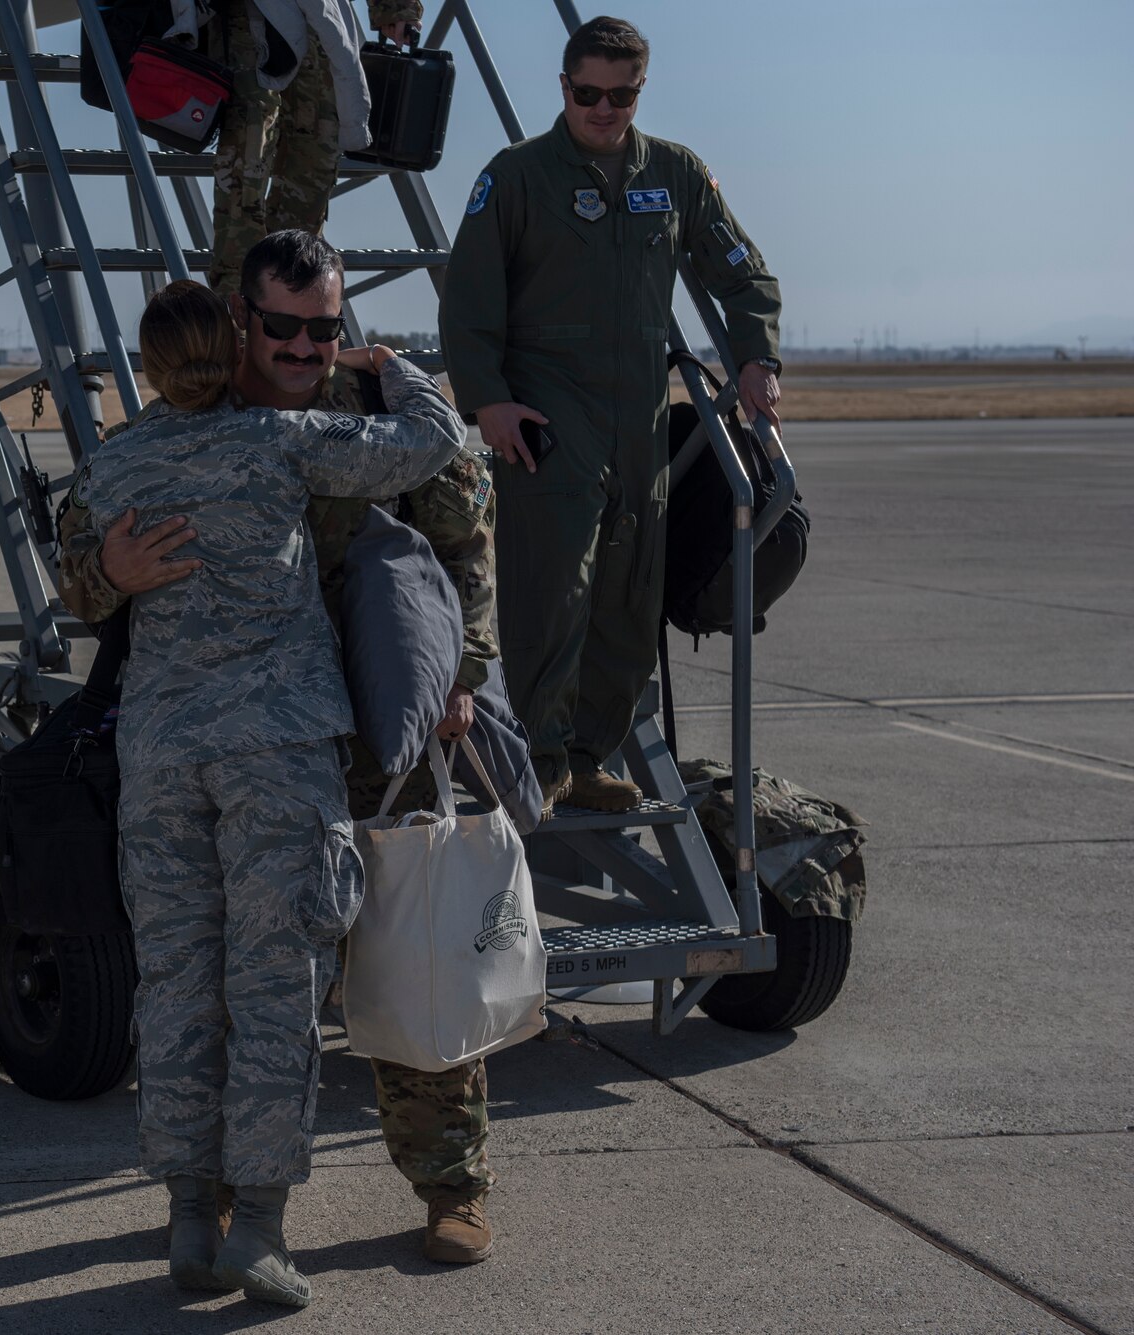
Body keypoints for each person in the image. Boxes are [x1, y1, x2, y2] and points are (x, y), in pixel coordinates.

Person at [58, 231, 503, 1266]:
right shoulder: (188, 424)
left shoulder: (352, 419)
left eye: (325, 328)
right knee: (230, 980)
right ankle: (215, 1197)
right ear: (241, 323)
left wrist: (461, 674)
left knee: (411, 955)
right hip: (269, 733)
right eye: (285, 327)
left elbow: (462, 534)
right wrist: (107, 574)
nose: (307, 345)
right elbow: (83, 580)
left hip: (380, 720)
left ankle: (450, 1179)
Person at [441, 14, 782, 816]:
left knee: (630, 593)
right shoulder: (516, 177)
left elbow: (739, 267)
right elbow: (469, 302)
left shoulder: (674, 172)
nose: (603, 109)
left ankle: (589, 755)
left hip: (639, 419)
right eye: (588, 93)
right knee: (554, 588)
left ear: (639, 92)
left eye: (620, 95)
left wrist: (756, 354)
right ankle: (542, 757)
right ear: (563, 88)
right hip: (548, 415)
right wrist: (487, 400)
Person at [203, 0, 395, 295]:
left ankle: (298, 301)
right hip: (246, 18)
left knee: (313, 162)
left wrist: (394, 8)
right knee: (247, 160)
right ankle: (239, 312)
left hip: (314, 19)